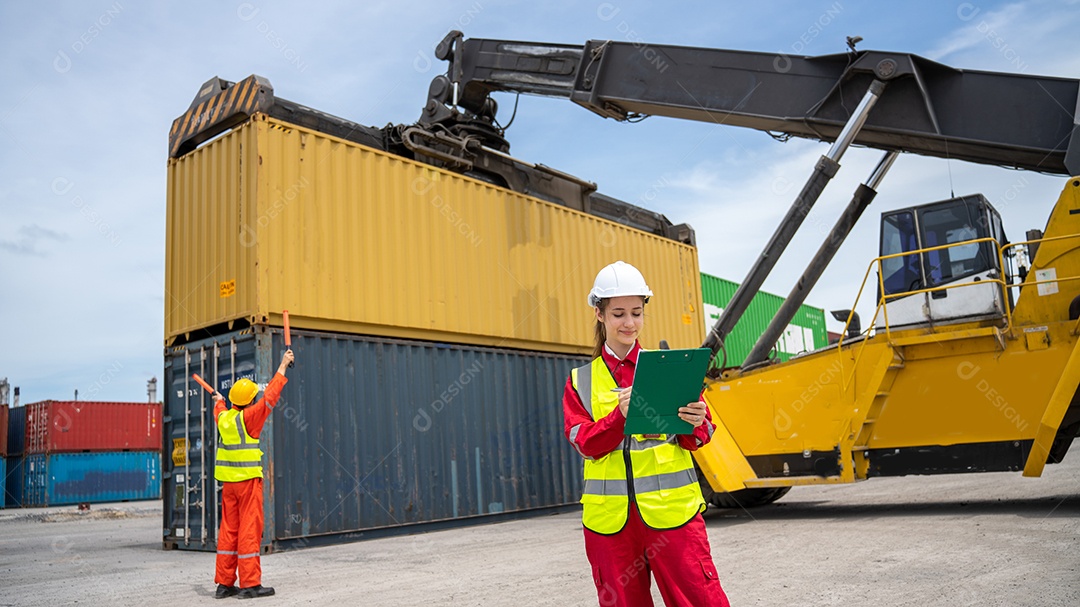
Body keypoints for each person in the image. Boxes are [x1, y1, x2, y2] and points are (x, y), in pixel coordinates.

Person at [563, 261, 731, 607]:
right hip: (610, 525)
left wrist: (697, 420)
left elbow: (700, 436)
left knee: (700, 599)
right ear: (599, 314)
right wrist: (618, 417)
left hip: (672, 516)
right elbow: (584, 443)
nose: (629, 323)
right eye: (619, 314)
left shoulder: (669, 368)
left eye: (636, 313)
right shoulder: (581, 380)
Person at [213, 349, 294, 599]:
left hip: (229, 486)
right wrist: (283, 365)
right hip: (247, 483)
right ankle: (250, 584)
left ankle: (224, 584)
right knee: (249, 529)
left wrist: (218, 400)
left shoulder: (224, 418)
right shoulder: (250, 417)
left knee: (229, 531)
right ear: (249, 401)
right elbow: (270, 396)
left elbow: (219, 408)